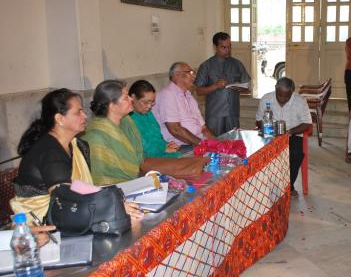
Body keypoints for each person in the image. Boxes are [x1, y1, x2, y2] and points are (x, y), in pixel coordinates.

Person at [10, 88, 142, 221]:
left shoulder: (76, 145)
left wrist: (111, 199)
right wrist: (110, 206)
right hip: (41, 223)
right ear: (60, 118)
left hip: (71, 211)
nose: (85, 116)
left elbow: (77, 188)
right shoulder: (49, 151)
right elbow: (64, 199)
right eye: (78, 112)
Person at [83, 80, 208, 186]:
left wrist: (164, 147)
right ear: (113, 106)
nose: (131, 99)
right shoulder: (96, 137)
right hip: (118, 191)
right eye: (126, 97)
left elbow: (138, 156)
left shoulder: (126, 122)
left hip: (139, 177)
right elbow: (101, 179)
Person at [256, 77, 312, 197]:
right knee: (259, 152)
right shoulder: (266, 98)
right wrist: (266, 130)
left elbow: (306, 124)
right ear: (275, 90)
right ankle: (265, 185)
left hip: (293, 134)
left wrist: (290, 132)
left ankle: (288, 186)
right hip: (270, 133)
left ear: (292, 92)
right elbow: (259, 119)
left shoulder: (300, 101)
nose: (282, 100)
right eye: (279, 95)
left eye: (286, 96)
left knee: (295, 154)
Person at [195, 32, 251, 136]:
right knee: (215, 145)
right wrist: (215, 86)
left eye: (229, 47)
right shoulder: (206, 66)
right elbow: (199, 91)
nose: (227, 50)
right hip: (215, 115)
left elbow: (247, 87)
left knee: (233, 143)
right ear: (215, 47)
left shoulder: (237, 64)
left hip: (232, 113)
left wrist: (240, 88)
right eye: (223, 47)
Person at [152, 62, 216, 146]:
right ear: (177, 75)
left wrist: (217, 144)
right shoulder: (167, 95)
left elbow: (203, 128)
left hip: (198, 142)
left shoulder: (189, 96)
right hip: (181, 147)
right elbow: (176, 130)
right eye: (190, 72)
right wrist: (202, 144)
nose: (194, 76)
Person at [128, 79, 181, 158]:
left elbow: (157, 138)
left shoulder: (147, 113)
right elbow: (139, 151)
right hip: (146, 161)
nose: (149, 106)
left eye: (152, 102)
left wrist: (168, 145)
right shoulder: (127, 119)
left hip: (161, 155)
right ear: (133, 97)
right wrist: (163, 149)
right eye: (146, 102)